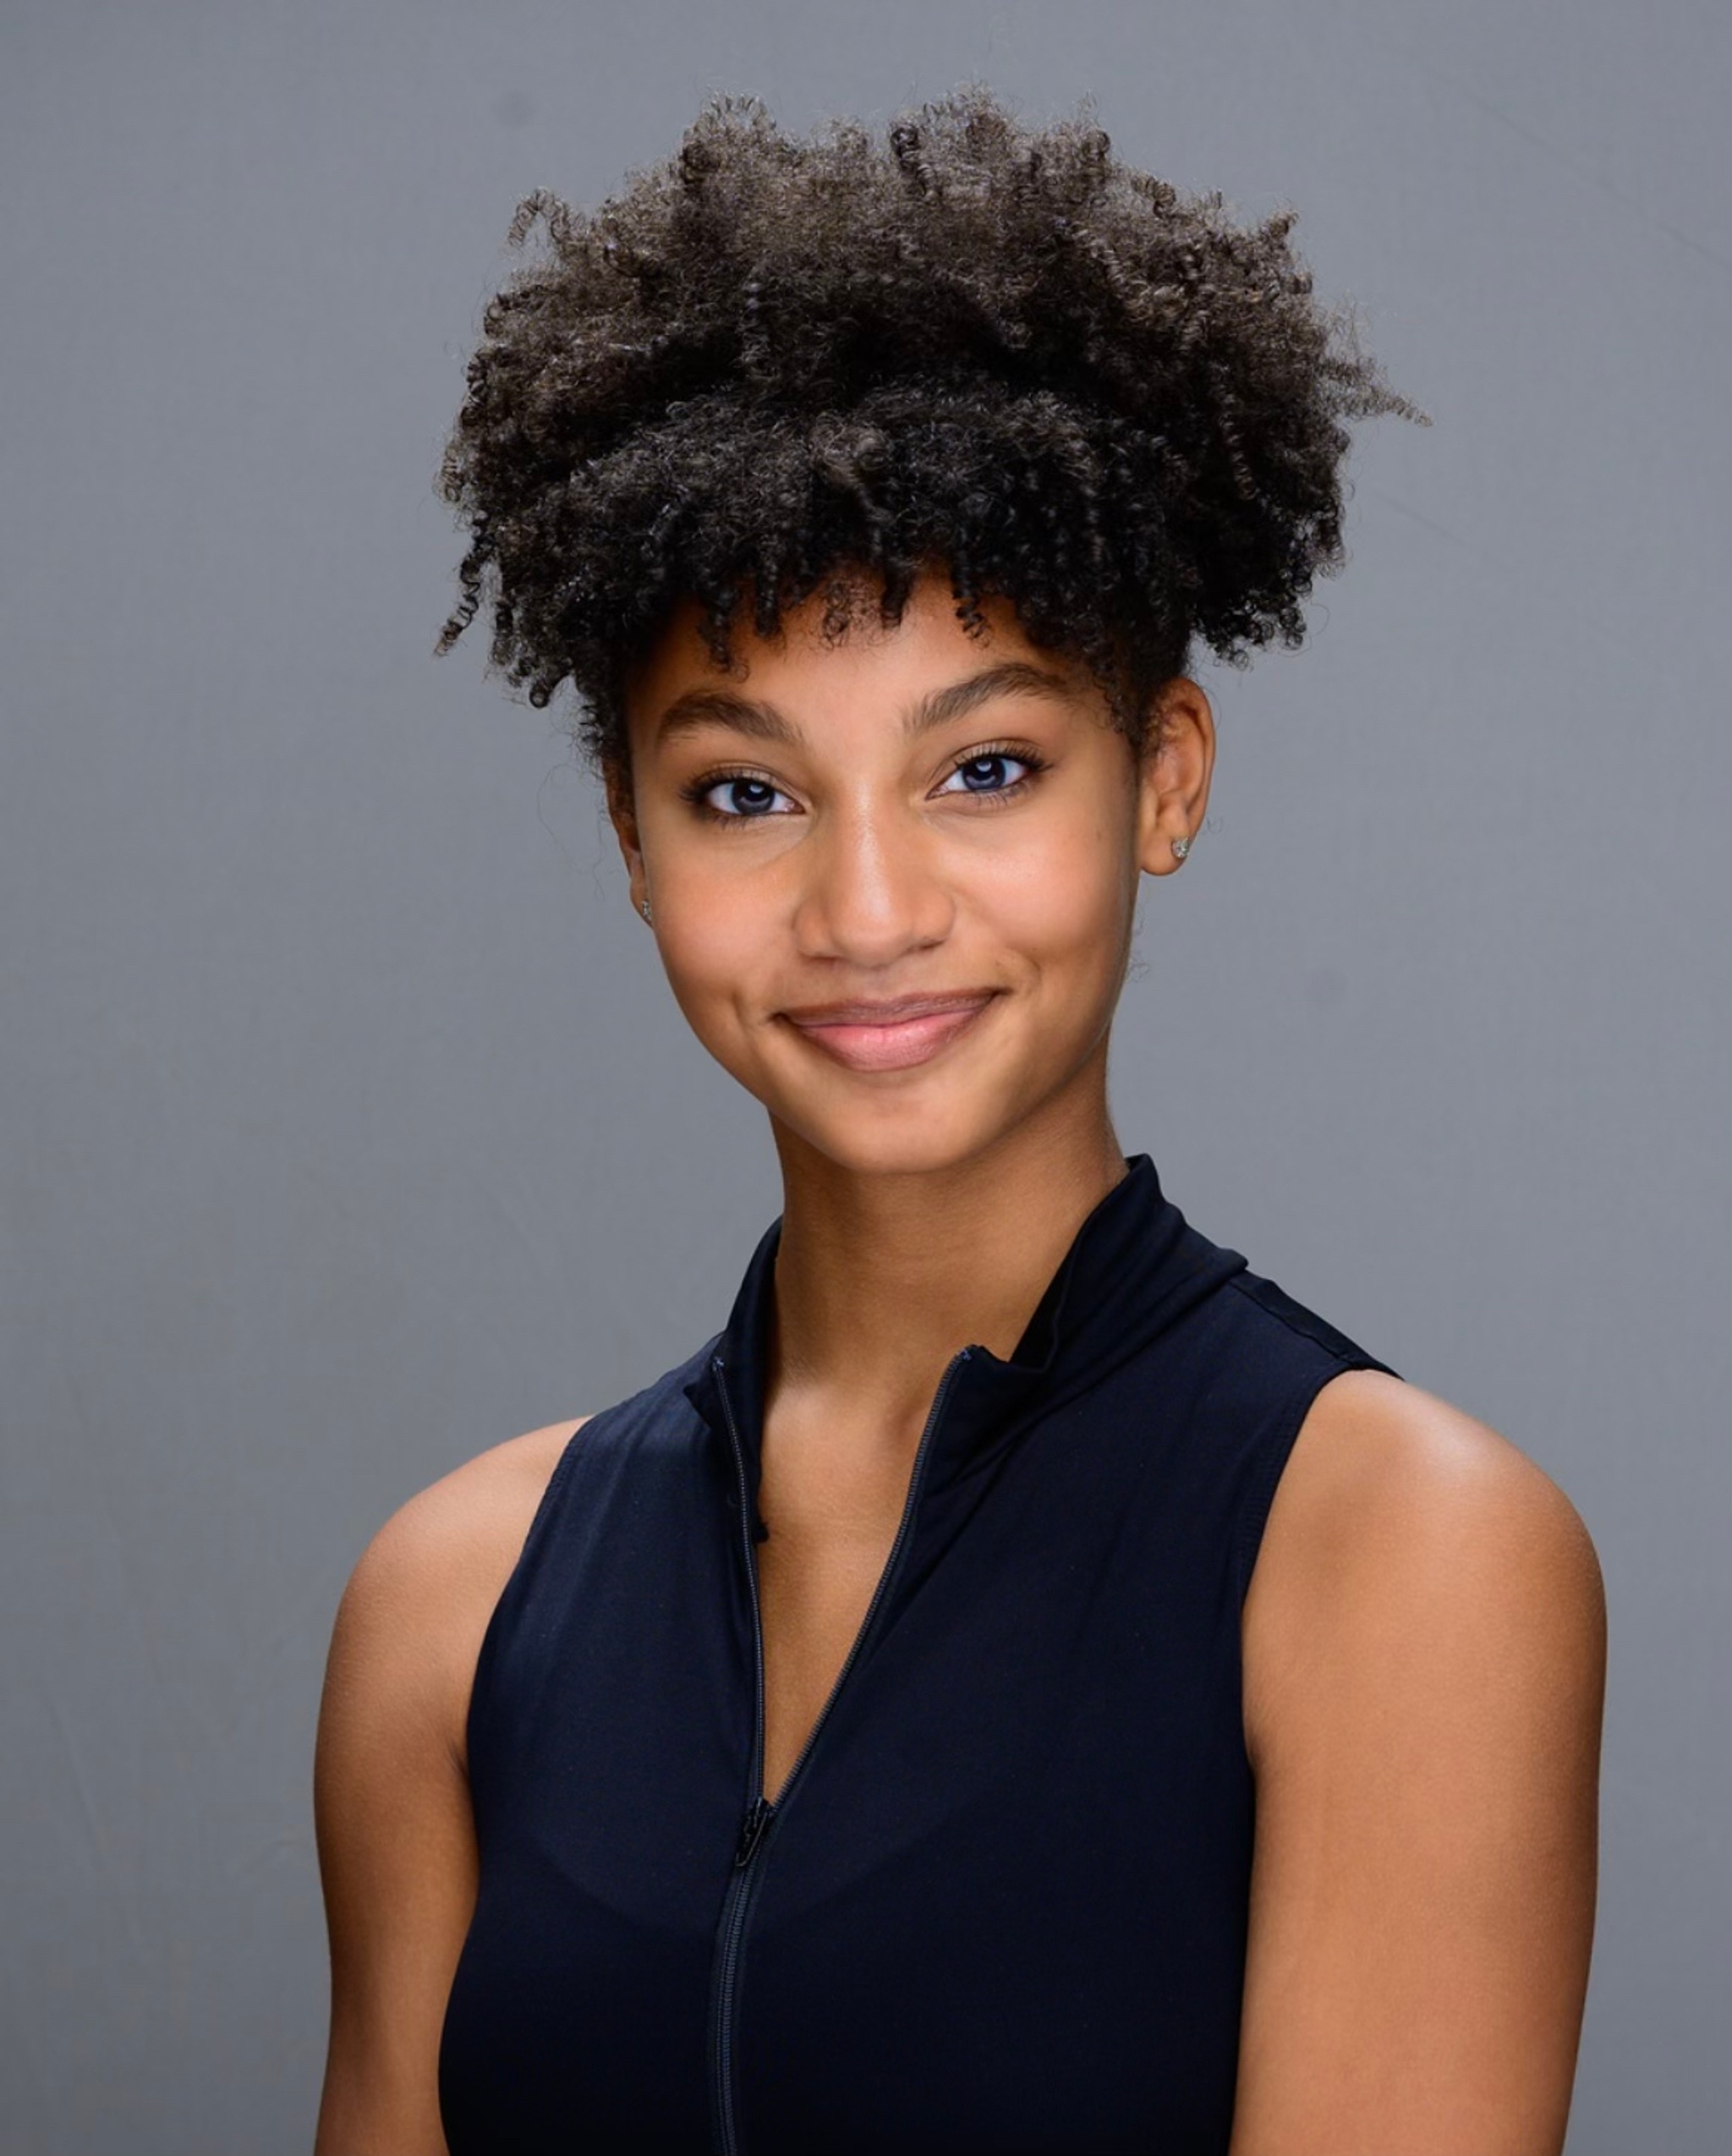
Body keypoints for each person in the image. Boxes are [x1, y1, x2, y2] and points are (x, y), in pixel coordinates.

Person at [312, 88, 1606, 2156]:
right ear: (632, 841)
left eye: (982, 767)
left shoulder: (1392, 1557)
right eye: (745, 790)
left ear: (1161, 777)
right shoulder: (454, 1607)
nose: (869, 912)